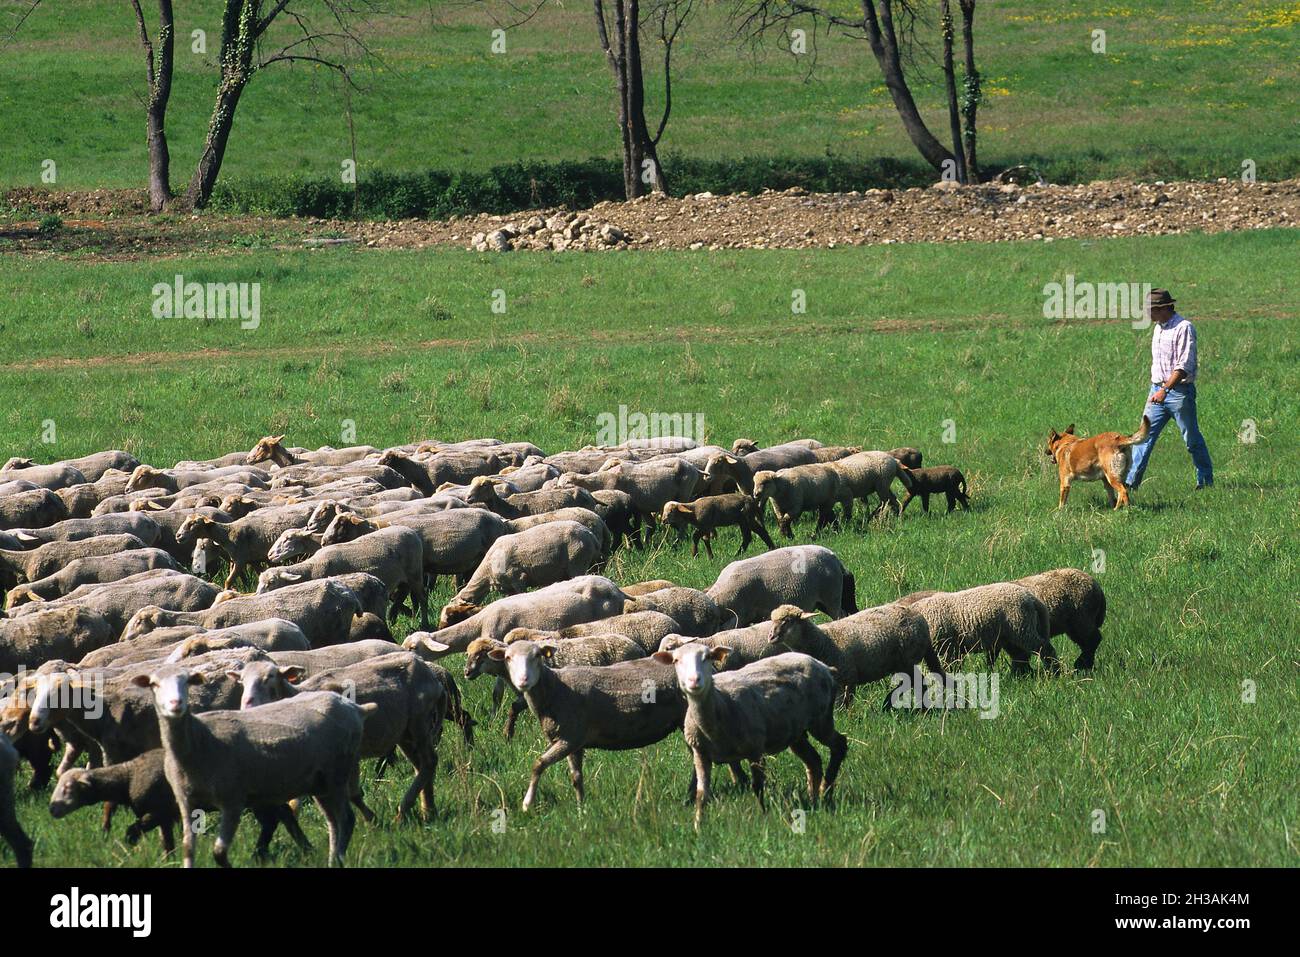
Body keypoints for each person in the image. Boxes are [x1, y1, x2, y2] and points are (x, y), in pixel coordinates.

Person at [1126, 289, 1213, 491]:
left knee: (1191, 439)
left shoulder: (1184, 328)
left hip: (1178, 393)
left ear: (1165, 308)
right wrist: (1158, 389)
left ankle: (1205, 482)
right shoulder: (1158, 328)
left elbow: (1184, 365)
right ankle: (1129, 485)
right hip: (1156, 391)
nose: (1148, 314)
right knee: (1142, 437)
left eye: (1152, 310)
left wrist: (1165, 389)